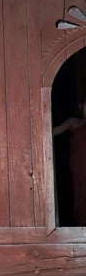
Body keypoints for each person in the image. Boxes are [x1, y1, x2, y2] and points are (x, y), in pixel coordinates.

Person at [53, 95, 86, 225]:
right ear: (81, 107)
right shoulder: (74, 122)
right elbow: (51, 132)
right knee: (80, 194)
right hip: (79, 166)